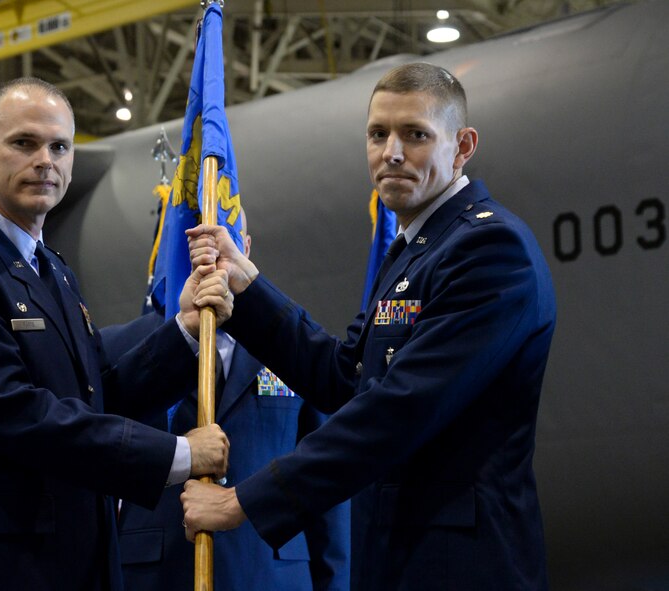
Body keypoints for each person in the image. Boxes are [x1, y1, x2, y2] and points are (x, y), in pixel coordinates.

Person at [181, 62, 557, 590]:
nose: (392, 152)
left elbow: (399, 408)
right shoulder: (415, 251)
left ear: (463, 145)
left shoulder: (491, 249)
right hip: (395, 556)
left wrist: (244, 499)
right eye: (378, 134)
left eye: (416, 135)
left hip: (461, 566)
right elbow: (343, 377)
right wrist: (246, 287)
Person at [0, 77, 232, 591]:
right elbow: (17, 416)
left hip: (79, 566)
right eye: (24, 143)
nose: (45, 160)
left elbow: (98, 393)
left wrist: (184, 331)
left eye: (60, 146)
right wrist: (177, 455)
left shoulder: (53, 272)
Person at [101, 210, 350, 591]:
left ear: (245, 248)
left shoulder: (293, 344)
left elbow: (328, 479)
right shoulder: (118, 348)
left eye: (222, 243)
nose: (207, 256)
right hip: (155, 574)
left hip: (271, 572)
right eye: (194, 244)